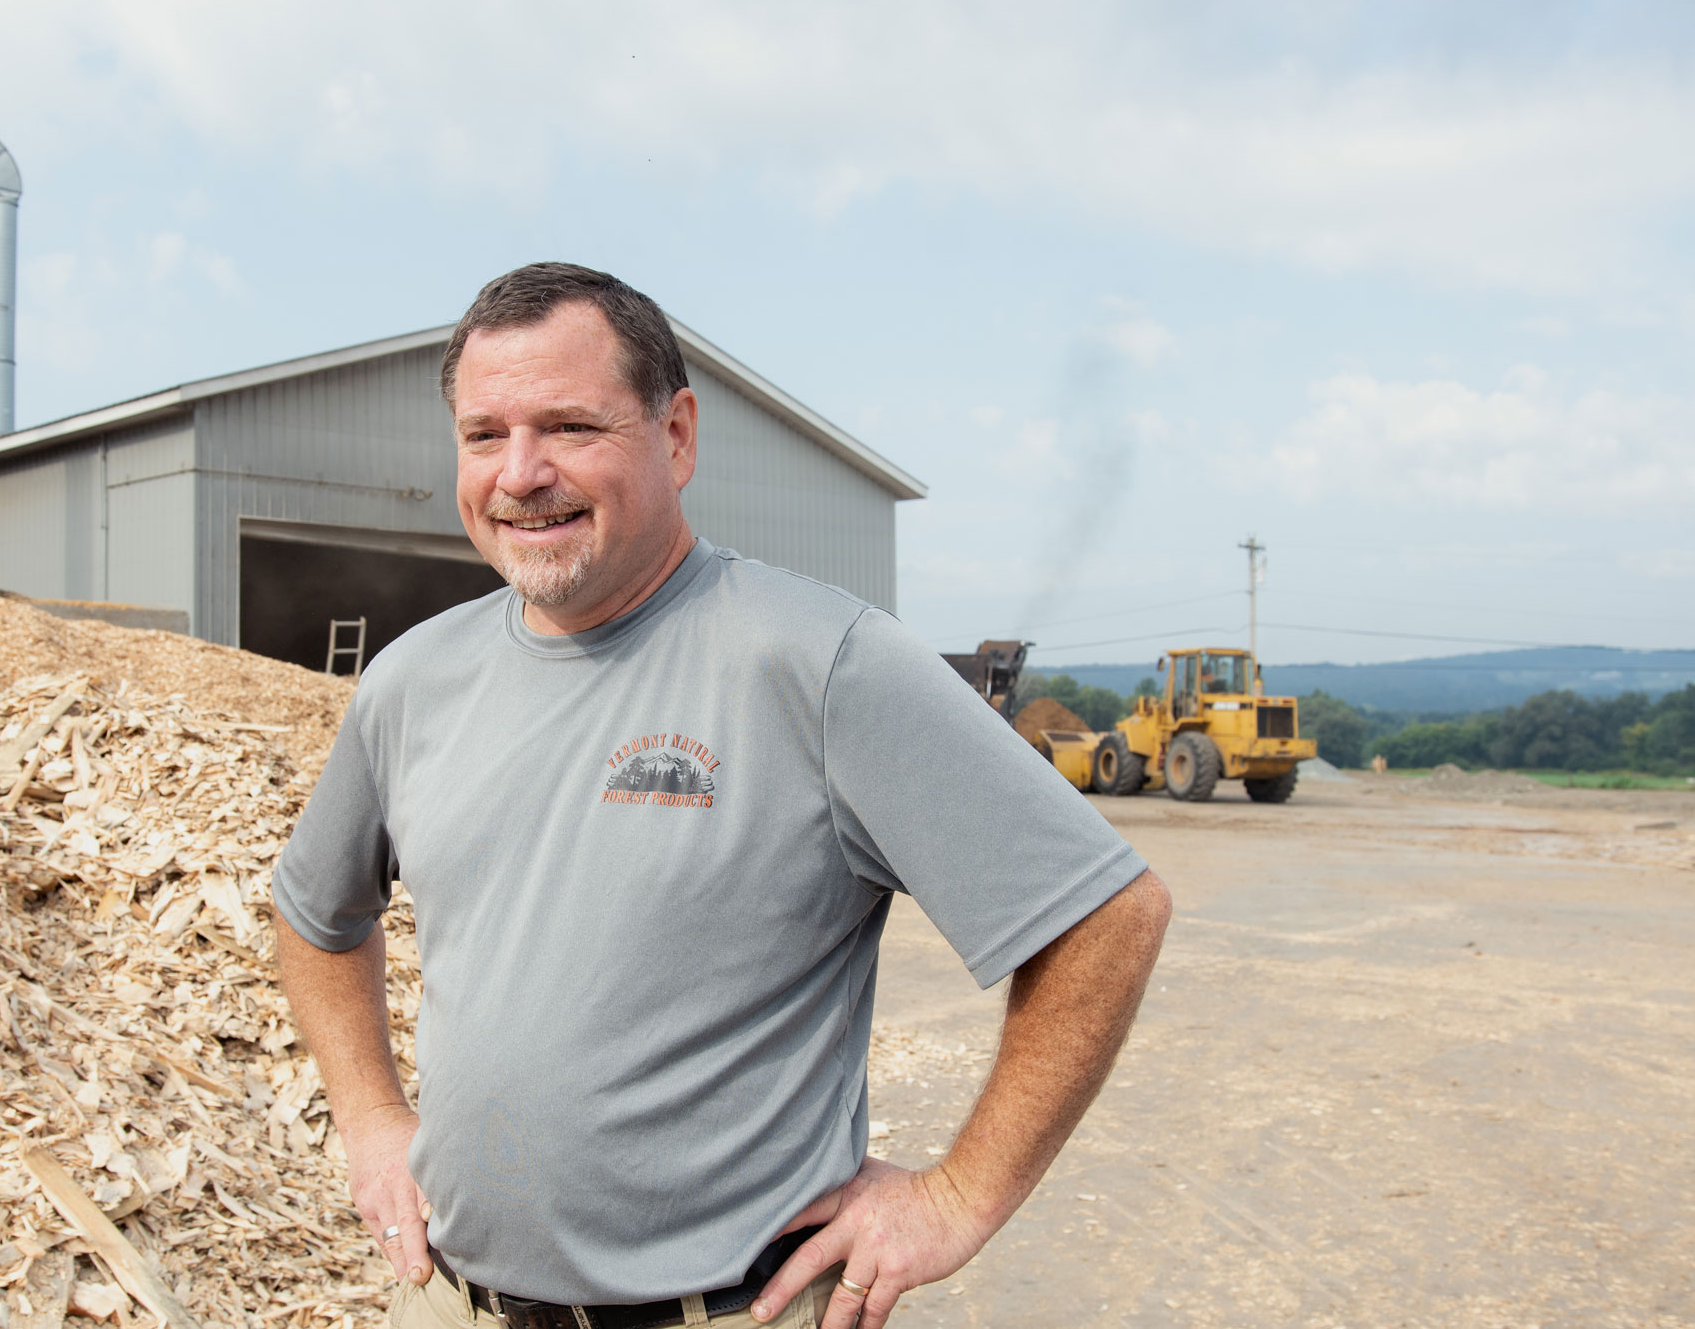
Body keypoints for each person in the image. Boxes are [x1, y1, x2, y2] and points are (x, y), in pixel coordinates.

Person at [273, 263, 1172, 1329]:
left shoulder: (820, 663)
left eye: (569, 425)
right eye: (483, 435)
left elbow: (1106, 915)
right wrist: (371, 1119)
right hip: (449, 1303)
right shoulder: (412, 683)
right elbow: (316, 914)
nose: (520, 474)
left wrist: (958, 1196)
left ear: (677, 436)